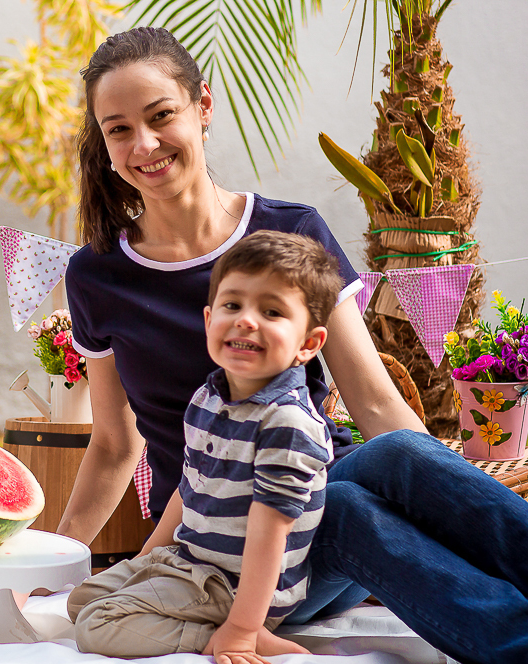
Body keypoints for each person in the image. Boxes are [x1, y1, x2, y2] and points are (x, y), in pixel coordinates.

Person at [55, 26, 528, 664]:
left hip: (314, 478)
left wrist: (444, 517)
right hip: (218, 547)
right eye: (118, 128)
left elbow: (372, 399)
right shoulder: (97, 274)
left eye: (161, 115)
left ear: (203, 108)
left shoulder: (290, 231)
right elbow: (116, 446)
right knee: (337, 505)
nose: (143, 143)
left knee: (391, 454)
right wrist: (53, 565)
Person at [69, 231, 341, 661]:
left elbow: (271, 537)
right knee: (81, 601)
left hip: (239, 587)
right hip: (192, 563)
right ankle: (209, 619)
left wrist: (243, 627)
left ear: (308, 344)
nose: (246, 320)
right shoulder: (208, 397)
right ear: (209, 318)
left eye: (271, 311)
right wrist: (146, 560)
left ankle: (223, 636)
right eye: (233, 305)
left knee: (97, 627)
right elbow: (189, 485)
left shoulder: (286, 423)